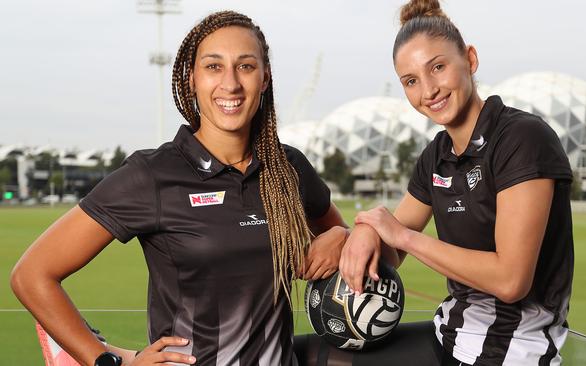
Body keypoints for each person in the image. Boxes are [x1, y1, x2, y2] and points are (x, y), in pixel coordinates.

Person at [11, 10, 348, 366]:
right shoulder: (153, 175)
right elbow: (32, 274)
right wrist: (107, 361)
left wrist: (342, 235)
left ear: (265, 78)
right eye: (213, 67)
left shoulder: (288, 168)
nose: (230, 83)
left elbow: (350, 243)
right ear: (191, 79)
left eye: (246, 66)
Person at [339, 0, 575, 365]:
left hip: (513, 353)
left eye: (438, 67)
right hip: (447, 335)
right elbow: (391, 251)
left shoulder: (523, 138)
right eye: (411, 81)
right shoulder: (437, 154)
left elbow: (511, 281)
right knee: (315, 356)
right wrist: (366, 230)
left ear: (470, 59)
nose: (428, 90)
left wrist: (401, 235)